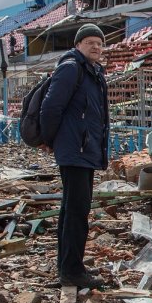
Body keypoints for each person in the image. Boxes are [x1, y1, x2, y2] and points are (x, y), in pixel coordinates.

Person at [39, 23, 110, 289]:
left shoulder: (91, 72)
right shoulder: (71, 69)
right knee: (77, 211)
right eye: (90, 42)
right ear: (78, 45)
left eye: (99, 43)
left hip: (83, 149)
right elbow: (51, 107)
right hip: (75, 150)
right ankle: (72, 270)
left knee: (72, 209)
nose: (96, 47)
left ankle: (69, 266)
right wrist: (49, 139)